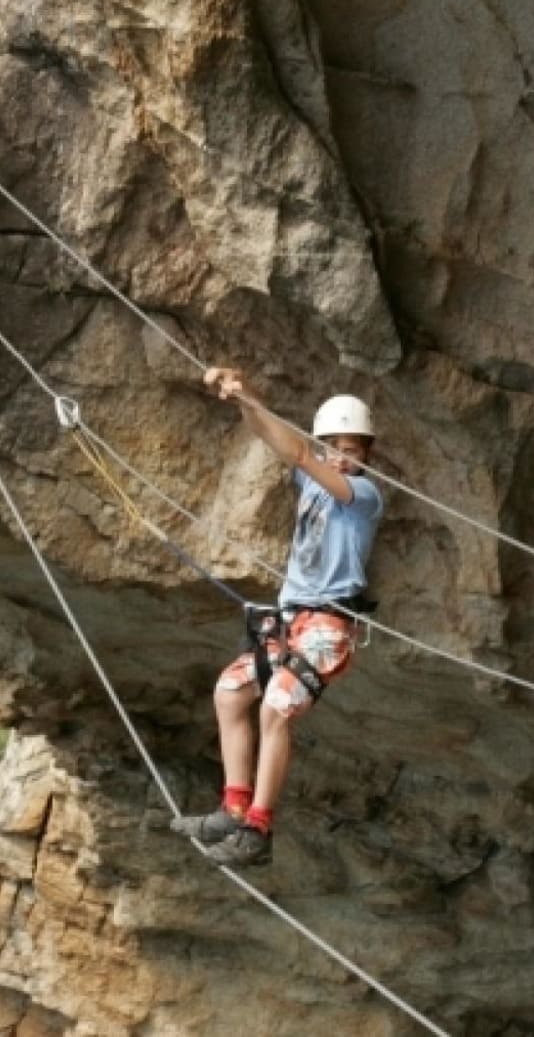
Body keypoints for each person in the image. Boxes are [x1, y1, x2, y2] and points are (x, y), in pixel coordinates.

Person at [169, 370, 384, 867]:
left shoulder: (364, 497)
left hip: (328, 628)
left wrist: (253, 399)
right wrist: (242, 399)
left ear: (366, 455)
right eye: (335, 446)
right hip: (291, 623)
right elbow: (273, 437)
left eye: (354, 449)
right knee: (229, 692)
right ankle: (234, 807)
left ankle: (259, 829)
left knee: (276, 706)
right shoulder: (311, 483)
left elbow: (299, 453)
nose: (343, 456)